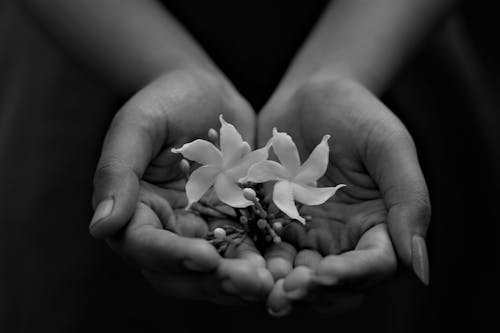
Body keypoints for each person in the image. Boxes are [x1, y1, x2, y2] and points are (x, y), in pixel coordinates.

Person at [15, 0, 458, 321]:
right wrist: (167, 71)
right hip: (107, 44)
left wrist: (340, 71)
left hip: (383, 38)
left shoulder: (271, 176)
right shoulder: (235, 172)